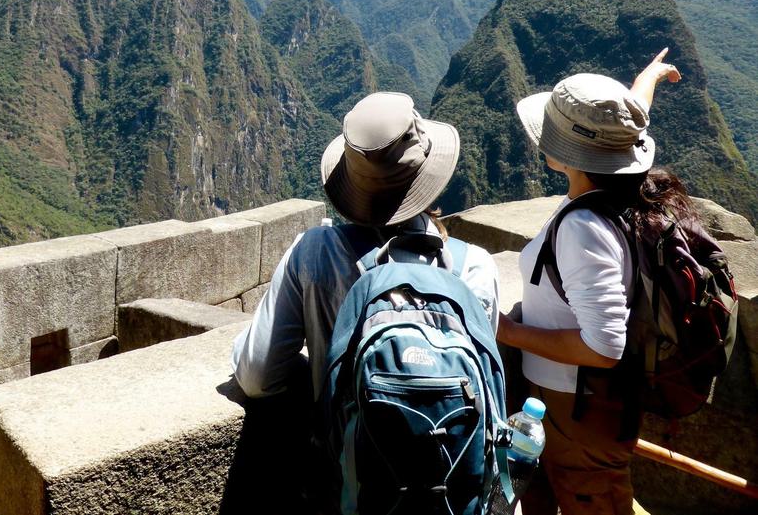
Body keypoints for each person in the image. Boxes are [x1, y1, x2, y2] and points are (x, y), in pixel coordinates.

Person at [497, 49, 683, 515]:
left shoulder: (584, 229)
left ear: (568, 155)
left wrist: (506, 331)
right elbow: (621, 126)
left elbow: (604, 346)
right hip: (570, 404)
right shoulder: (622, 190)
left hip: (576, 410)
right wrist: (647, 79)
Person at [231, 91, 499, 402]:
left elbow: (256, 377)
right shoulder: (474, 268)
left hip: (349, 449)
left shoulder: (315, 254)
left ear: (351, 180)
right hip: (455, 448)